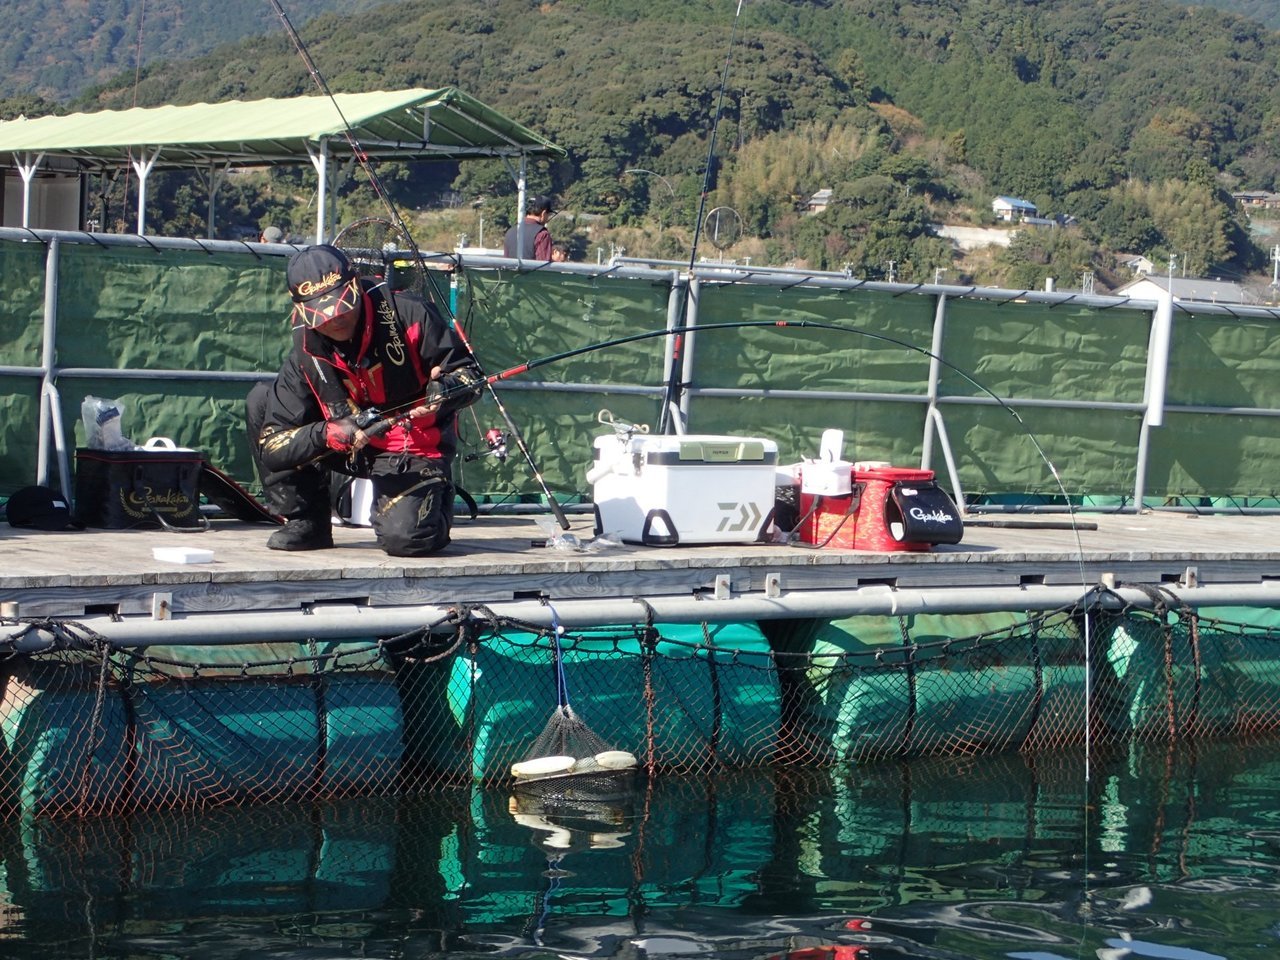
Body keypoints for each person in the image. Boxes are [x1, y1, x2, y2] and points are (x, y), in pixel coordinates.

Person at [246, 244, 484, 555]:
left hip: (410, 446)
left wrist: (445, 390)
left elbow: (473, 378)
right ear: (301, 310)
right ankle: (308, 520)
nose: (336, 318)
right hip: (347, 443)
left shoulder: (411, 313)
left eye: (343, 302)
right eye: (321, 311)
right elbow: (273, 447)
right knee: (261, 400)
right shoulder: (302, 354)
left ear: (356, 284)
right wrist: (326, 434)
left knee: (407, 540)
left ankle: (435, 499)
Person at [503, 195, 555, 260]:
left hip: (510, 270)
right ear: (543, 213)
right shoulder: (542, 234)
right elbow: (543, 265)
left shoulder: (510, 232)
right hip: (531, 270)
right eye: (548, 214)